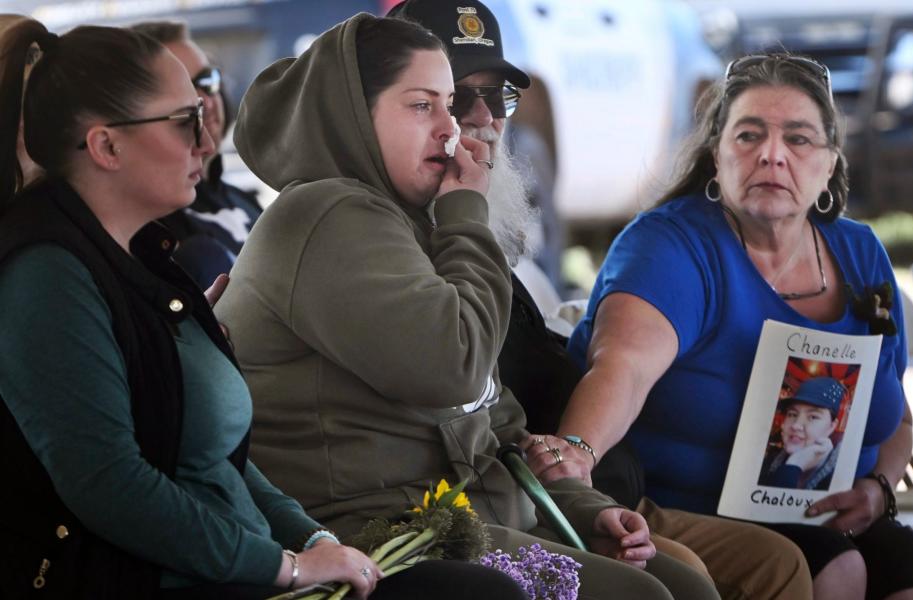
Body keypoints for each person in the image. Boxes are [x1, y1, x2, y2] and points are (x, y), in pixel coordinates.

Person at [0, 18, 526, 600]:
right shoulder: (46, 273)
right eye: (183, 121)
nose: (205, 139)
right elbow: (110, 486)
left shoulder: (139, 257)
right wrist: (285, 566)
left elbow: (218, 461)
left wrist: (313, 539)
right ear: (106, 145)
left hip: (242, 563)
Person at [215, 12, 721, 600]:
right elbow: (452, 367)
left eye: (451, 103)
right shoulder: (330, 215)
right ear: (357, 112)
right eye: (423, 106)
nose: (455, 129)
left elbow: (491, 416)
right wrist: (465, 213)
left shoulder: (404, 220)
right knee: (649, 597)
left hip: (459, 515)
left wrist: (583, 509)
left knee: (682, 586)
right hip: (376, 533)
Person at [387, 2, 814, 598]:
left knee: (779, 563)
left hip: (583, 493)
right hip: (508, 510)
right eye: (459, 97)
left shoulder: (478, 239)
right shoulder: (394, 245)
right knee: (682, 578)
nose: (485, 119)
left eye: (498, 97)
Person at [539, 52, 913, 599]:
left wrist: (878, 490)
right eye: (749, 136)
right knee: (837, 567)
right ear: (717, 157)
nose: (772, 156)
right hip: (685, 510)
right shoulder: (671, 246)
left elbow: (896, 422)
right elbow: (625, 366)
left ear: (829, 163)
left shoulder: (860, 253)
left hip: (827, 513)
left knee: (910, 567)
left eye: (798, 139)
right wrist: (577, 453)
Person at [129, 20, 263, 289]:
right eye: (184, 88)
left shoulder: (245, 202)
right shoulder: (147, 231)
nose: (204, 100)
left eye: (208, 80)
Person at [759, 377, 844, 490]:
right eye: (792, 414)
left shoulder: (842, 479)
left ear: (832, 427)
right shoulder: (766, 464)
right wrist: (793, 466)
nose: (796, 425)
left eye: (813, 417)